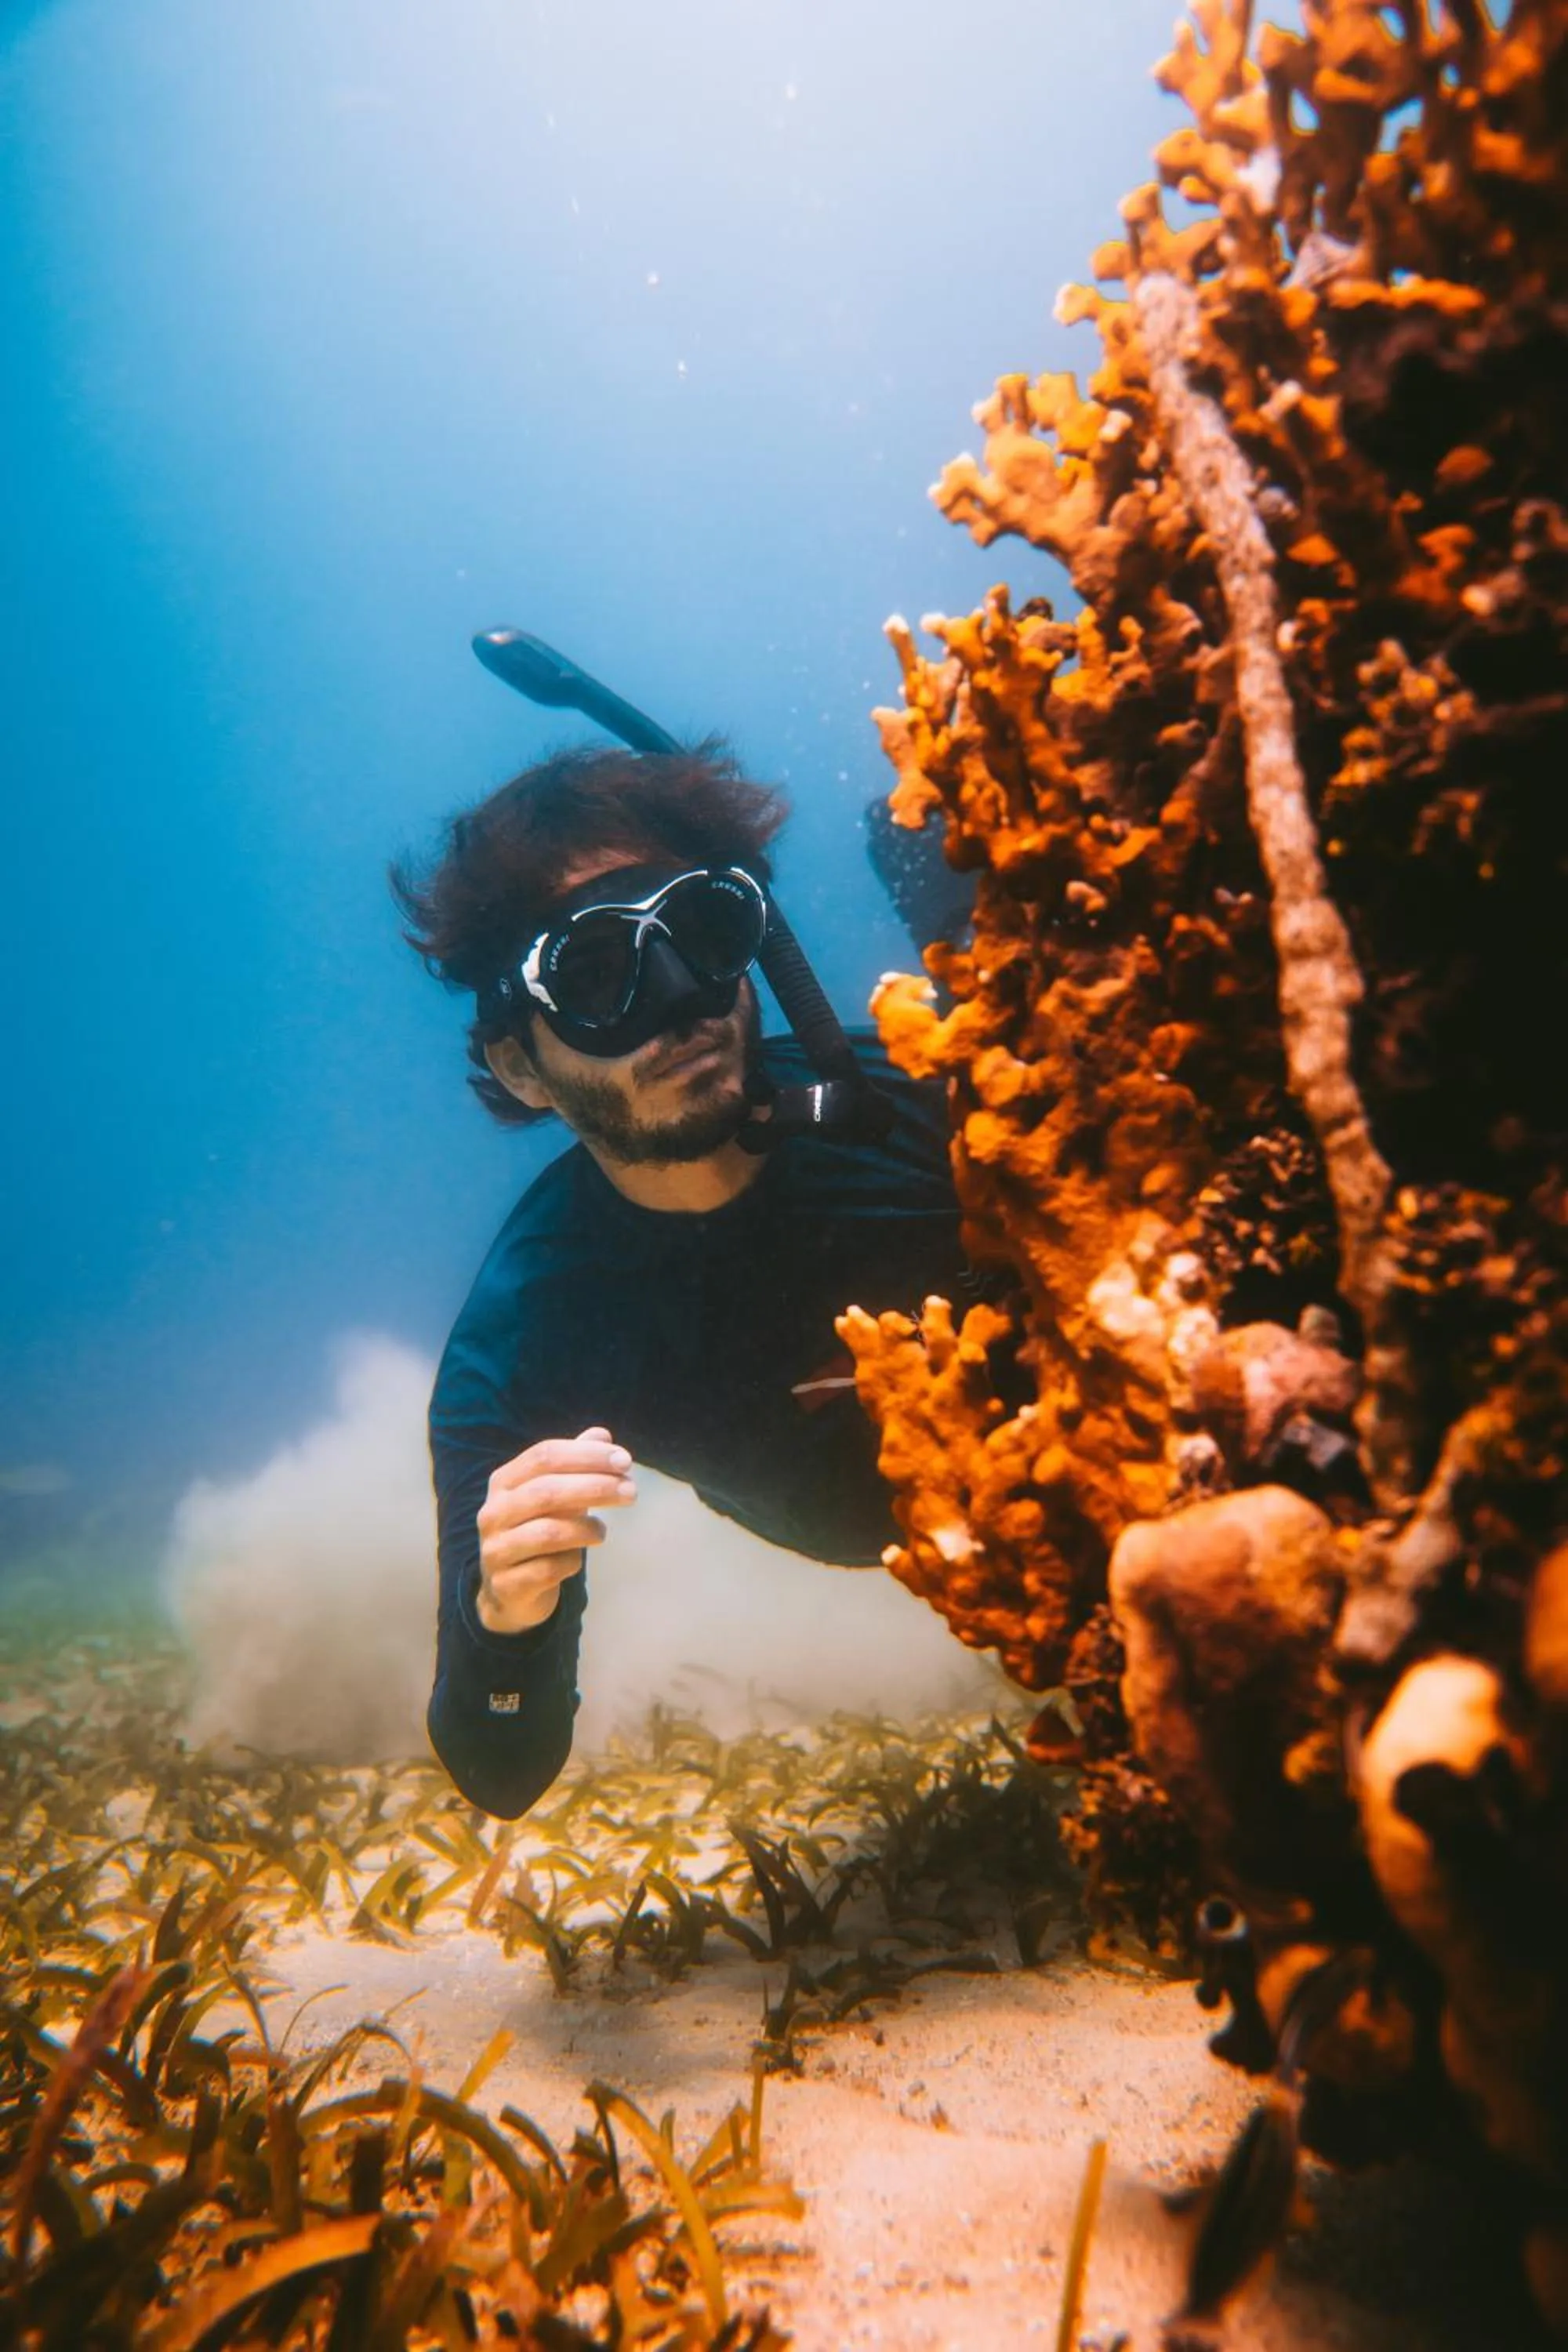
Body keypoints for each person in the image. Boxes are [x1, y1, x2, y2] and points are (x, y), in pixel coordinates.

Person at [394, 742, 970, 1818]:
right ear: (521, 1064)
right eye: (600, 974)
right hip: (851, 1525)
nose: (679, 1006)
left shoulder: (926, 1095)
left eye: (704, 932)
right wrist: (504, 1612)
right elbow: (501, 1766)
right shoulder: (529, 1337)